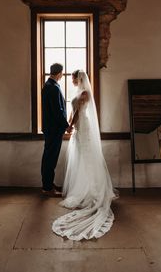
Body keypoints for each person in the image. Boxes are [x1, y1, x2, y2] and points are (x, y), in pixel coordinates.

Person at [52, 70, 118, 240]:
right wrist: (69, 123)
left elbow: (79, 111)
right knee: (81, 158)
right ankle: (83, 187)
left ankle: (93, 191)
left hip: (83, 127)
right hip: (78, 127)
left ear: (79, 78)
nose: (72, 80)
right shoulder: (77, 92)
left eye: (73, 78)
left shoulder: (85, 93)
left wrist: (70, 126)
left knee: (88, 158)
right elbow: (73, 110)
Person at [41, 63, 71, 197]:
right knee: (50, 159)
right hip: (53, 130)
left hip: (50, 129)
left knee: (49, 157)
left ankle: (48, 184)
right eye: (62, 73)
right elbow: (57, 111)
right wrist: (66, 125)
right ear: (60, 73)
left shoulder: (49, 86)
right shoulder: (52, 88)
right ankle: (47, 188)